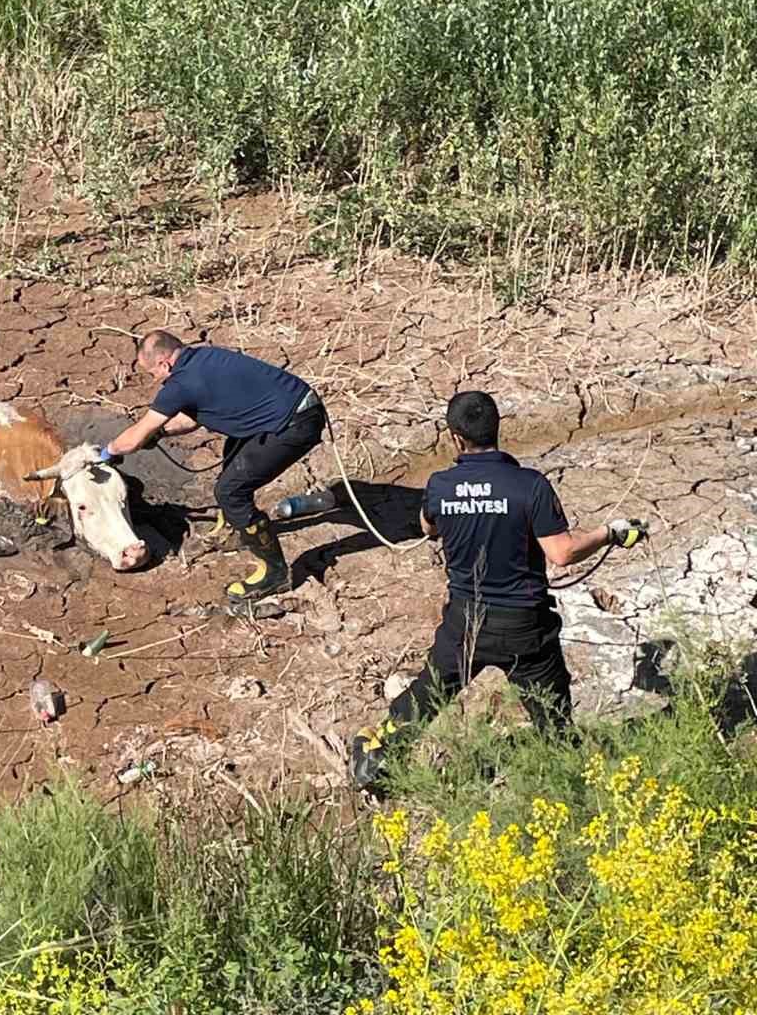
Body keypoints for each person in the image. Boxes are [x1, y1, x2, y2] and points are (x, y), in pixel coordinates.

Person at [348, 390, 648, 789]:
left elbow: (427, 527)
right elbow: (562, 552)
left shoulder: (440, 485)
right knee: (552, 716)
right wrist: (609, 533)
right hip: (525, 626)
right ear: (498, 429)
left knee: (430, 692)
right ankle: (562, 780)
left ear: (455, 437)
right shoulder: (530, 486)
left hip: (465, 622)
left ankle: (378, 760)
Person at [98, 331, 325, 602]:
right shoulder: (206, 357)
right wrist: (159, 434)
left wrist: (105, 453)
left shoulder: (180, 384)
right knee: (233, 452)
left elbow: (133, 437)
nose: (155, 380)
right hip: (295, 406)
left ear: (164, 364)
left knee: (231, 492)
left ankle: (275, 574)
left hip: (294, 425)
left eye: (152, 374)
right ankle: (236, 526)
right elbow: (191, 418)